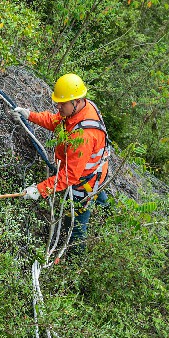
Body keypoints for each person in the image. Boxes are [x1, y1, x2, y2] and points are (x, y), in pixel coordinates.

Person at [12, 73, 110, 250]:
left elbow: (70, 176)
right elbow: (57, 121)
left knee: (75, 229)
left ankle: (75, 264)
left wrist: (40, 189)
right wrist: (30, 115)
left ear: (77, 101)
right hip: (96, 174)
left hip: (84, 185)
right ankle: (108, 215)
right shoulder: (83, 109)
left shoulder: (84, 136)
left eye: (62, 103)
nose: (58, 107)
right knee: (101, 199)